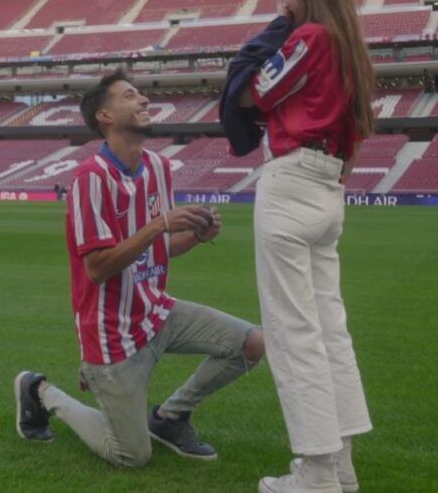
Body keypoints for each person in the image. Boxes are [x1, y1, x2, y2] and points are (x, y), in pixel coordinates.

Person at [14, 69, 265, 469]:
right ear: (105, 117)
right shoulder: (90, 179)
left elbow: (158, 250)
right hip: (112, 334)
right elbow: (97, 268)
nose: (144, 100)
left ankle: (169, 416)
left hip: (157, 312)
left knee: (252, 343)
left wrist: (197, 236)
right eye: (130, 96)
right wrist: (159, 225)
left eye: (141, 94)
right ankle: (41, 392)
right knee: (131, 455)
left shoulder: (159, 167)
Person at [240, 0, 376, 493]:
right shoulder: (351, 47)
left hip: (292, 179)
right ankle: (340, 465)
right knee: (329, 330)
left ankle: (317, 472)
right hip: (329, 185)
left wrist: (280, 24)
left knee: (293, 331)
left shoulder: (312, 37)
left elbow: (259, 92)